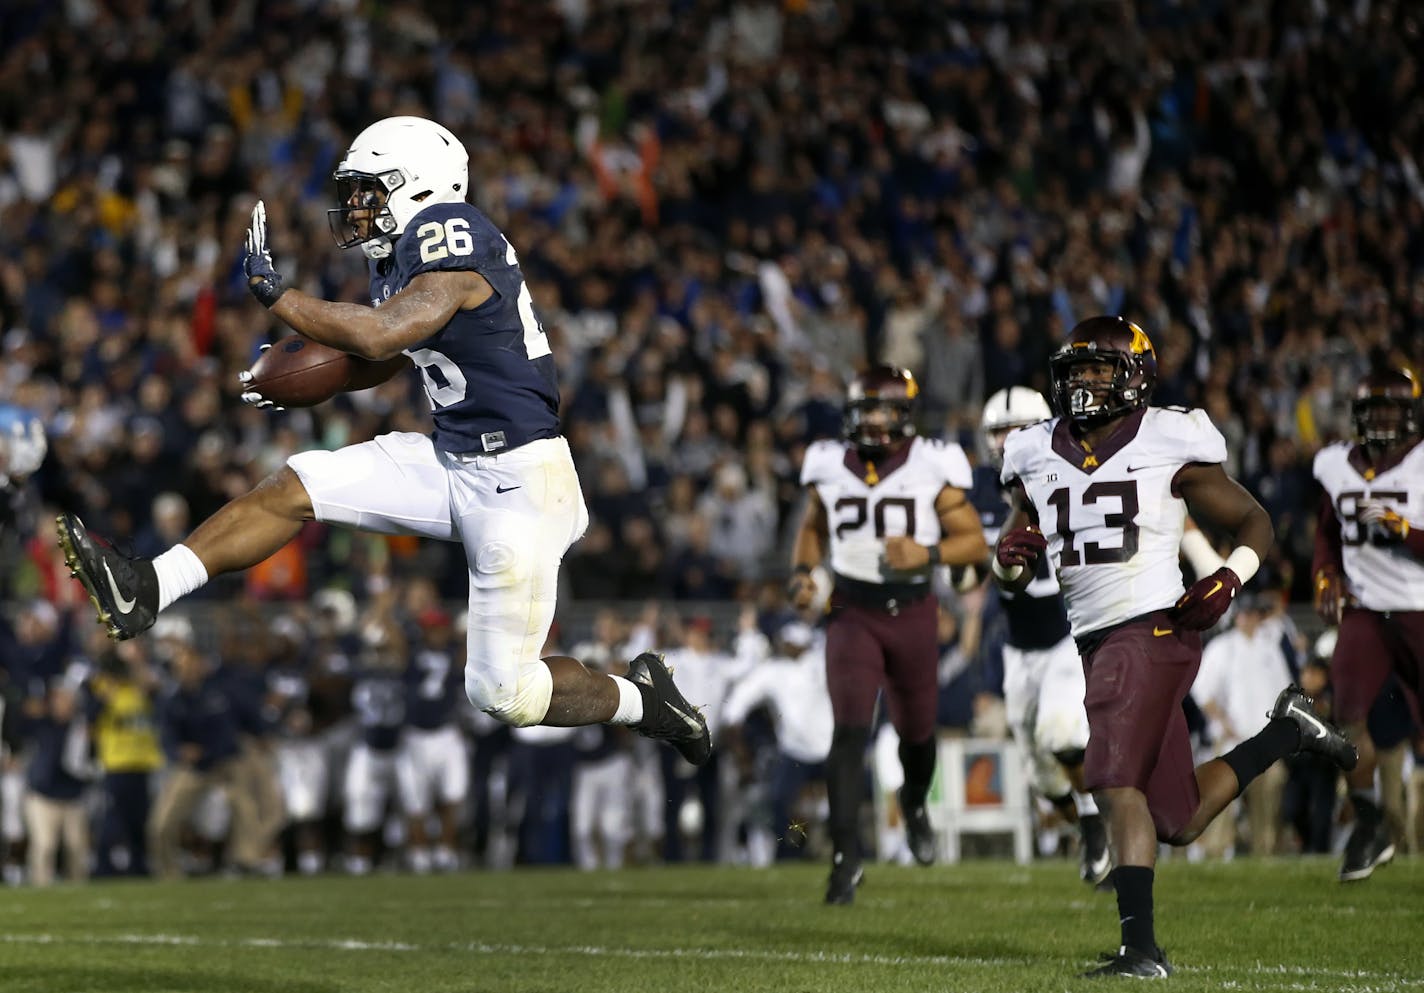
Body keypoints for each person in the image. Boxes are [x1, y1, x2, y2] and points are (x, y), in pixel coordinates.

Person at [54, 115, 710, 767]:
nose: (357, 207)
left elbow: (378, 334)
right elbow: (388, 356)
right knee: (294, 485)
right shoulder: (402, 256)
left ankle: (643, 702)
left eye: (369, 190)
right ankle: (146, 589)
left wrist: (277, 295)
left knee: (504, 691)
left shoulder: (451, 228)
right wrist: (304, 382)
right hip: (454, 458)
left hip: (522, 483)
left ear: (418, 186)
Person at [994, 316, 1357, 978]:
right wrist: (1007, 561)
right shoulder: (1034, 450)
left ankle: (1141, 950)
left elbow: (1256, 519)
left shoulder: (1168, 435)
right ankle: (1288, 731)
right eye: (1074, 372)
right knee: (1178, 818)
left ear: (1133, 376)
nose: (1082, 384)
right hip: (1095, 635)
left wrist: (1229, 575)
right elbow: (1017, 552)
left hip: (1151, 626)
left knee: (1110, 777)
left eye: (1097, 370)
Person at [788, 364, 989, 904]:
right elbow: (813, 525)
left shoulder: (931, 463)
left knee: (917, 736)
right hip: (851, 611)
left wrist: (926, 553)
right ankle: (844, 856)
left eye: (883, 408)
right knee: (849, 732)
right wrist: (804, 575)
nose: (873, 419)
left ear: (905, 414)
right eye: (865, 408)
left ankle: (915, 802)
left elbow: (973, 543)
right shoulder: (828, 463)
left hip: (915, 613)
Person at [972, 386, 1110, 887]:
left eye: (1016, 430)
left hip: (1063, 635)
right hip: (1017, 648)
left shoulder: (1064, 475)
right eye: (998, 432)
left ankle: (1098, 827)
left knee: (1063, 734)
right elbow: (969, 559)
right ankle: (1088, 826)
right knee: (1040, 774)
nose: (1006, 440)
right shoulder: (976, 489)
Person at [1311, 365, 1424, 881]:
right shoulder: (1335, 464)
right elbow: (1327, 531)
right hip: (1364, 608)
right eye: (1372, 410)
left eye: (1390, 410)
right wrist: (1325, 573)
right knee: (1348, 715)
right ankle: (1370, 823)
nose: (1380, 420)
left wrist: (1409, 533)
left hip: (1419, 606)